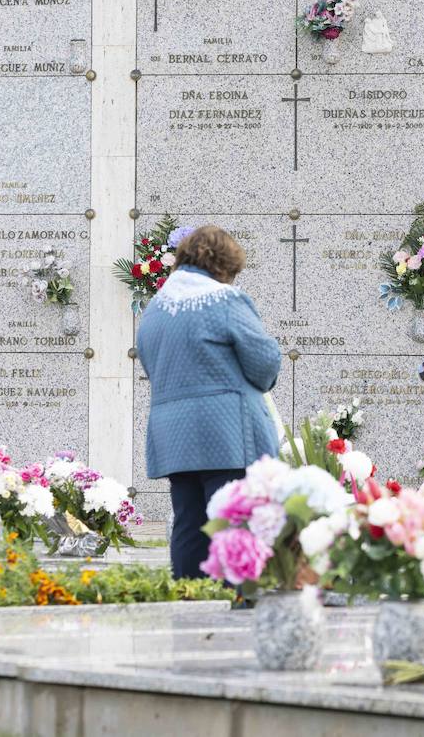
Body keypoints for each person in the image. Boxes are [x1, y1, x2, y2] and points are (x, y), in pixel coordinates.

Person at [136, 225, 282, 580]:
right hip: (226, 432)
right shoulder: (226, 301)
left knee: (188, 522)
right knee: (233, 520)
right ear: (224, 266)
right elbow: (264, 362)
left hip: (174, 435)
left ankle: (189, 600)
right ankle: (238, 596)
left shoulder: (154, 310)